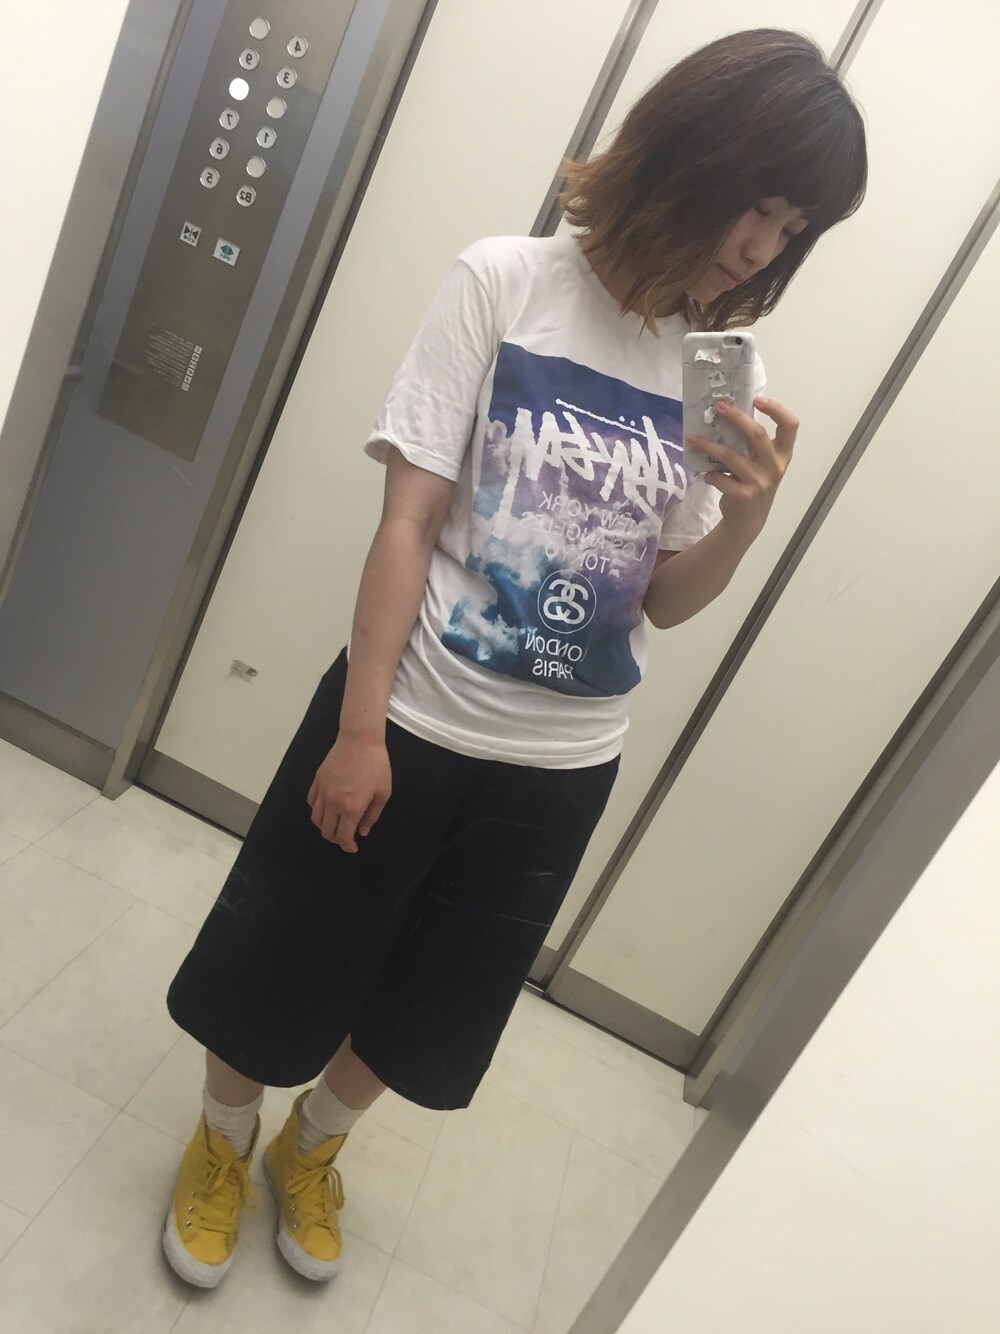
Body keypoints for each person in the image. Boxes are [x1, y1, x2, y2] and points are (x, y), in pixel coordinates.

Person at [162, 26, 867, 1288]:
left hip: (562, 761)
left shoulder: (719, 365)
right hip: (415, 716)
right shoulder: (504, 281)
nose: (762, 245)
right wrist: (362, 726)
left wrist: (745, 522)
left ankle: (311, 1145)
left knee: (434, 1000)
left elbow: (663, 602)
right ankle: (222, 1139)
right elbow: (408, 520)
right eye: (757, 204)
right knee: (284, 956)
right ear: (689, 152)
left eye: (791, 226)